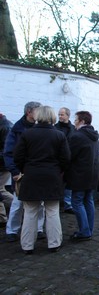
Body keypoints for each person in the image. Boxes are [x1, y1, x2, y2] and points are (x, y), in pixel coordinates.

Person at [13, 106, 71, 253]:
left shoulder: (27, 134)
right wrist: (58, 170)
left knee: (30, 212)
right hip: (52, 175)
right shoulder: (59, 135)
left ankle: (27, 246)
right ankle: (54, 243)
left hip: (31, 175)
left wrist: (26, 169)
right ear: (52, 117)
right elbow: (66, 159)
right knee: (52, 211)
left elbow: (17, 157)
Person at [3, 102, 46, 242]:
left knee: (40, 203)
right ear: (29, 112)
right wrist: (15, 171)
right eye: (37, 111)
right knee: (17, 203)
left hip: (37, 171)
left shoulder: (40, 128)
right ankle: (12, 230)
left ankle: (39, 228)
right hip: (20, 172)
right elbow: (8, 153)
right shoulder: (16, 129)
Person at [66, 111, 99, 241]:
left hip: (79, 175)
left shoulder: (78, 136)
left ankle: (84, 232)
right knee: (88, 201)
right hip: (92, 175)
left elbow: (69, 156)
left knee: (77, 202)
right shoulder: (94, 136)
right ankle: (88, 230)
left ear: (82, 121)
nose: (74, 122)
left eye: (76, 120)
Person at [55, 107, 75, 214]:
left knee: (69, 183)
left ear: (68, 115)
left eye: (62, 114)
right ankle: (55, 204)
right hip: (58, 161)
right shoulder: (55, 128)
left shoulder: (73, 128)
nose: (60, 116)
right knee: (57, 183)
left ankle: (68, 205)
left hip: (70, 160)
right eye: (59, 114)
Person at [0, 113, 14, 224]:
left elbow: (7, 149)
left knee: (0, 190)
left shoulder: (6, 126)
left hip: (2, 165)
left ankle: (2, 217)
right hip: (4, 163)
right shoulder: (5, 125)